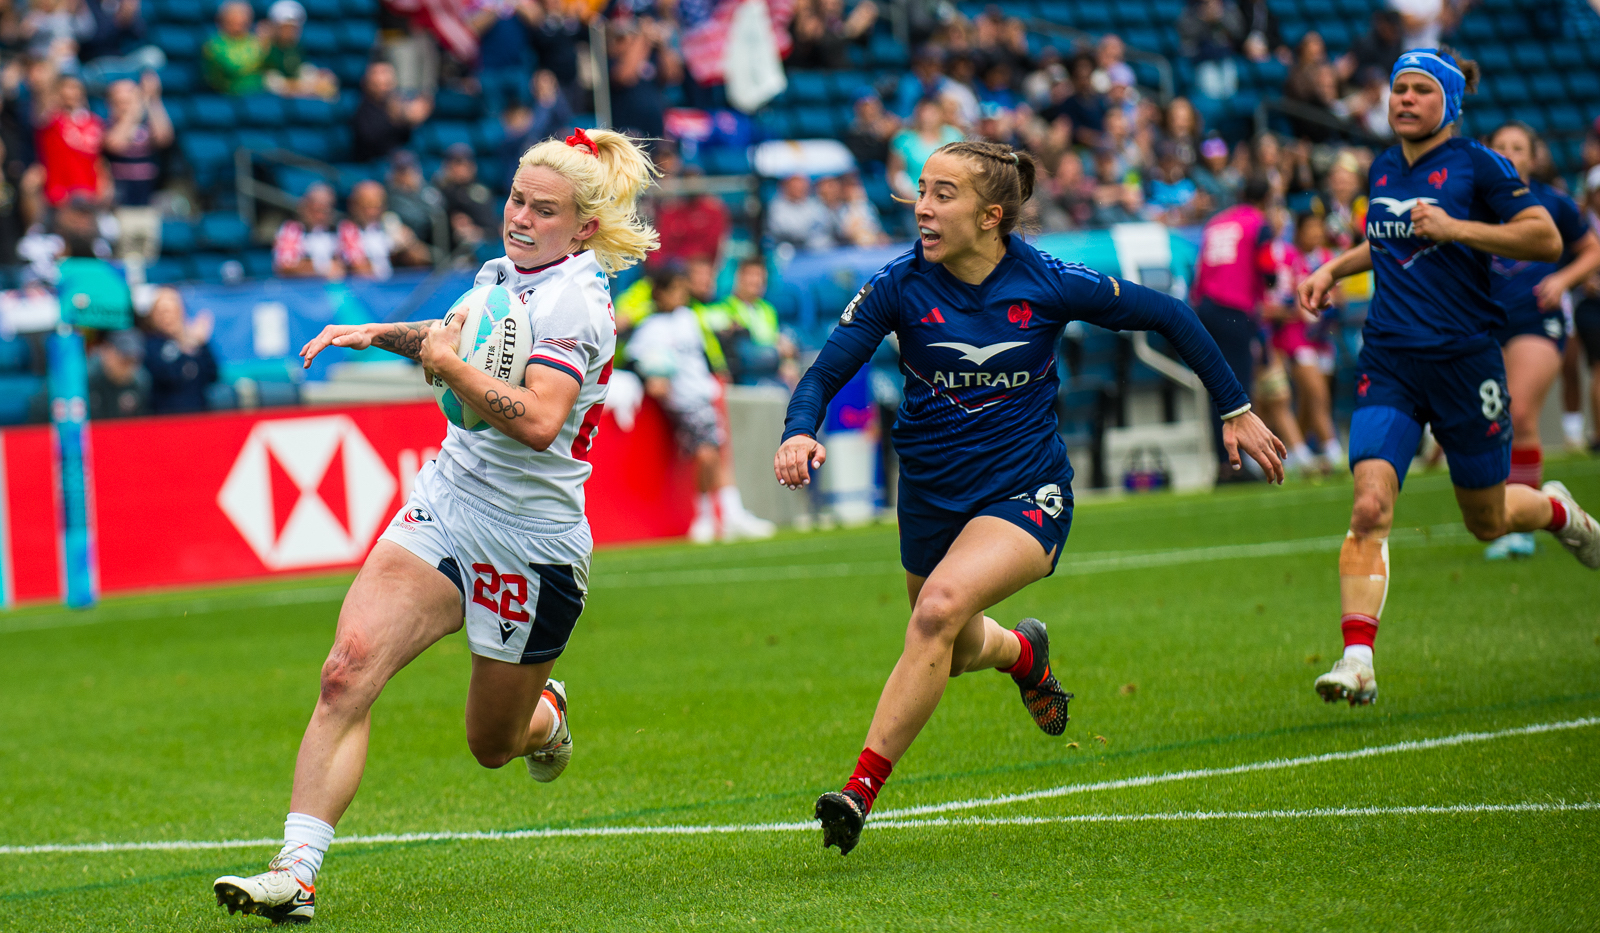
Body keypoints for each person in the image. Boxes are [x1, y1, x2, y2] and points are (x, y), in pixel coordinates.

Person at [776, 140, 1286, 856]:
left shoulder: (1046, 280)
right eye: (922, 190)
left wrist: (1235, 407)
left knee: (938, 610)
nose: (923, 207)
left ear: (991, 216)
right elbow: (825, 370)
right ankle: (1022, 653)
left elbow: (1171, 314)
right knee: (952, 646)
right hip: (930, 495)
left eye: (944, 194)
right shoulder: (898, 284)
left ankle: (858, 792)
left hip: (1026, 490)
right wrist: (800, 430)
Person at [213, 127, 659, 924]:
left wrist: (449, 365)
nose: (520, 217)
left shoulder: (577, 303)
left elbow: (539, 420)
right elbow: (453, 336)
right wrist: (375, 334)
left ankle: (546, 717)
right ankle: (296, 870)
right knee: (346, 670)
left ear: (584, 227)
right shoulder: (502, 273)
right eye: (516, 198)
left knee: (492, 743)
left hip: (532, 544)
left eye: (543, 209)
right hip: (448, 501)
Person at [1297, 49, 1600, 708]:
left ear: (1450, 104)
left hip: (1465, 362)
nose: (1404, 99)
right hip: (1391, 361)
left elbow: (1545, 239)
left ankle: (1556, 509)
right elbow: (1389, 237)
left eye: (1421, 90)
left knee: (1487, 520)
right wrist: (1333, 268)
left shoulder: (1478, 164)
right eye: (1398, 88)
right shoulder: (1384, 165)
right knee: (1369, 506)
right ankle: (1357, 660)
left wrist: (1457, 226)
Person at [1479, 122, 1600, 559]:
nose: (1509, 153)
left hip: (1538, 318)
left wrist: (1563, 280)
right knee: (1489, 422)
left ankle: (1522, 526)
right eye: (1500, 146)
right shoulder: (1473, 204)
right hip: (1483, 323)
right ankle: (1521, 508)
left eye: (1518, 147)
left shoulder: (1554, 204)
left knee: (1519, 411)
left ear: (1533, 157)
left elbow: (1592, 250)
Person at [628, 265, 777, 544]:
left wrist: (715, 376)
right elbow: (634, 359)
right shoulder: (650, 327)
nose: (681, 295)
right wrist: (649, 377)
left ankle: (728, 514)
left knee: (717, 453)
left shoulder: (689, 318)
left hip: (703, 395)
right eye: (675, 290)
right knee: (708, 454)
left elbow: (704, 353)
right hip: (683, 401)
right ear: (660, 293)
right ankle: (709, 515)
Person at [1189, 176, 1280, 480]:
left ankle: (1222, 462)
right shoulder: (1258, 223)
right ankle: (1236, 463)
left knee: (1216, 386)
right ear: (1266, 199)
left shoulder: (1216, 222)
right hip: (1234, 308)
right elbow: (1269, 271)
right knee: (1237, 386)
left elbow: (1201, 271)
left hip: (1206, 308)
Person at [1271, 211, 1342, 471]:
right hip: (1296, 337)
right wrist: (1297, 308)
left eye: (1318, 227)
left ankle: (1291, 456)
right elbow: (1282, 298)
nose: (1315, 233)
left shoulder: (1328, 258)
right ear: (1299, 233)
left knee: (1308, 401)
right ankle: (1333, 450)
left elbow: (1340, 296)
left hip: (1323, 338)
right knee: (1317, 394)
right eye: (1309, 228)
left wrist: (1329, 305)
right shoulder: (1291, 259)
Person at [103, 73, 172, 261]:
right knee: (122, 260)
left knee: (148, 261)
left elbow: (164, 137)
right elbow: (115, 144)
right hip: (119, 208)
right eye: (121, 102)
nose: (126, 106)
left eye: (130, 101)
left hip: (147, 206)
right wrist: (134, 112)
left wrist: (153, 100)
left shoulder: (145, 127)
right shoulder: (106, 125)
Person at [34, 74, 109, 209]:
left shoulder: (94, 122)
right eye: (66, 88)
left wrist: (103, 187)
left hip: (88, 196)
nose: (71, 92)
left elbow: (98, 161)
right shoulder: (51, 119)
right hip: (59, 196)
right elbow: (42, 98)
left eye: (75, 88)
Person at [143, 286, 218, 414]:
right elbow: (168, 376)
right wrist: (188, 345)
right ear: (153, 315)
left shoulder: (197, 341)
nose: (167, 317)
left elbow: (213, 374)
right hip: (165, 417)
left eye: (172, 310)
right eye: (162, 312)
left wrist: (199, 343)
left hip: (199, 414)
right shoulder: (150, 344)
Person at [340, 179, 431, 279]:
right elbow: (361, 270)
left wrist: (410, 244)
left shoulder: (389, 224)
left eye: (377, 206)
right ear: (354, 206)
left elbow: (423, 259)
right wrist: (392, 252)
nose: (372, 212)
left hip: (393, 285)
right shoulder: (348, 230)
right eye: (367, 206)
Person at [352, 61, 432, 163]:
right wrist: (398, 120)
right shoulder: (360, 106)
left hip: (401, 160)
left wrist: (413, 119)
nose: (383, 82)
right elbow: (369, 139)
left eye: (387, 83)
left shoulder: (396, 102)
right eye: (379, 82)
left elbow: (406, 138)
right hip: (372, 163)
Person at [262, 0, 338, 99]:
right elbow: (271, 79)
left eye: (293, 28)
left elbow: (303, 69)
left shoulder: (297, 48)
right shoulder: (267, 48)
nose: (290, 32)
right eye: (286, 27)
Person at [436, 142, 500, 248]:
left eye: (466, 163)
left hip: (486, 237)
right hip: (455, 242)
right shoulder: (441, 190)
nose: (462, 168)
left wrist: (480, 232)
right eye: (457, 164)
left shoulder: (481, 189)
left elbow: (491, 221)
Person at [201, 0, 268, 95]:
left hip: (257, 93)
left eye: (242, 20)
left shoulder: (254, 40)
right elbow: (232, 68)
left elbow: (267, 68)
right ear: (224, 20)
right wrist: (259, 51)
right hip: (226, 94)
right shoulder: (214, 44)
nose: (239, 22)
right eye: (234, 19)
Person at [88, 328, 150, 418]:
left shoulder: (141, 382)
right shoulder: (86, 378)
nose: (129, 367)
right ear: (107, 351)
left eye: (134, 361)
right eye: (124, 360)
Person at [766, 174, 834, 252]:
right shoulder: (777, 207)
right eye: (795, 187)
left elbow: (824, 226)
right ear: (787, 187)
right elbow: (783, 230)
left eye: (802, 187)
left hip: (814, 249)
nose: (800, 190)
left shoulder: (814, 204)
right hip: (789, 249)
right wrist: (807, 232)